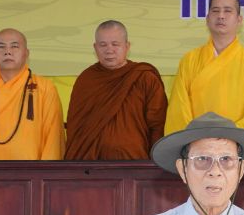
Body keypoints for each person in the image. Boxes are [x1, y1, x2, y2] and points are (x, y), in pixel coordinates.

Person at [164, 0, 244, 135]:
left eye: (228, 11)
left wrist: (231, 135)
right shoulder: (189, 59)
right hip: (197, 141)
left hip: (240, 141)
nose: (221, 16)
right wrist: (196, 138)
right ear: (207, 19)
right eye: (215, 11)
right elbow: (179, 109)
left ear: (239, 19)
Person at [65, 20, 168, 160]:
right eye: (103, 45)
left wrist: (155, 162)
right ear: (95, 47)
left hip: (135, 163)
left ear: (127, 46)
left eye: (115, 44)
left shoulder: (144, 77)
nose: (109, 50)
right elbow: (75, 127)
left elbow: (158, 125)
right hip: (90, 166)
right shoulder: (86, 80)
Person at [0, 28, 64, 160]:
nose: (7, 52)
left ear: (26, 53)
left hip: (32, 171)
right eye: (1, 47)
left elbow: (53, 140)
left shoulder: (45, 88)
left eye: (14, 46)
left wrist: (47, 172)